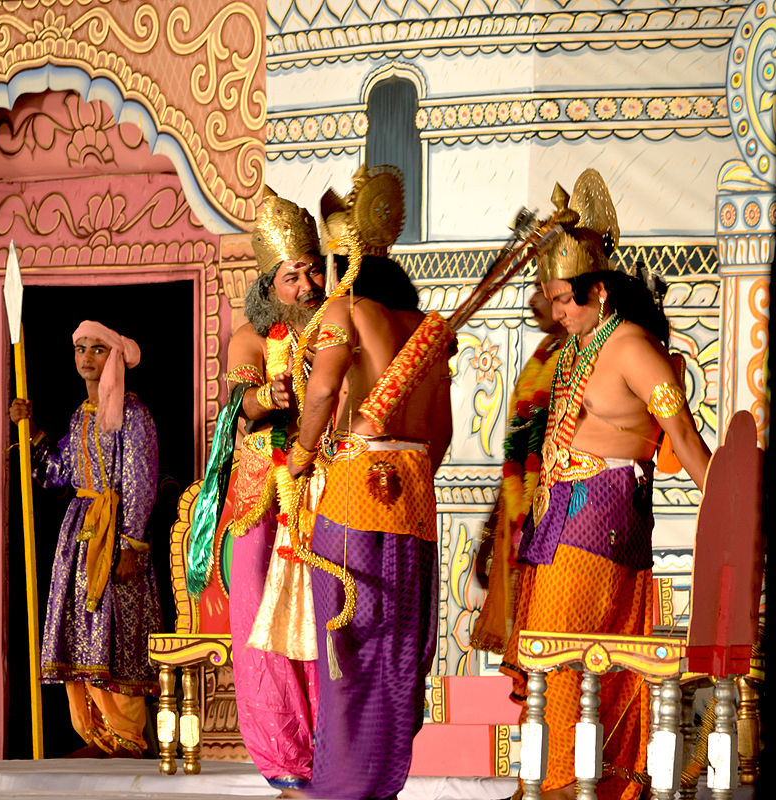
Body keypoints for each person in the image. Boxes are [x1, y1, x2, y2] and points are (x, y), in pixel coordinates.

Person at [500, 169, 711, 800]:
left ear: (600, 290)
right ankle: (552, 778)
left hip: (605, 513)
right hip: (557, 513)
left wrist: (728, 506)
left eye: (566, 299)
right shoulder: (575, 350)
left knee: (572, 654)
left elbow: (681, 432)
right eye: (553, 299)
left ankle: (572, 781)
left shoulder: (631, 346)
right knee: (549, 653)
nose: (557, 311)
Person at [287, 165, 453, 800]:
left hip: (358, 488)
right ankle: (377, 782)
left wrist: (304, 456)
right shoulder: (427, 330)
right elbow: (440, 432)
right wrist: (405, 471)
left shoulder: (345, 310)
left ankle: (340, 785)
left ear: (342, 260)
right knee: (397, 647)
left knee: (346, 643)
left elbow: (325, 388)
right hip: (414, 494)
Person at [186, 186, 324, 793]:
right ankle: (285, 759)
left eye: (315, 270)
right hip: (260, 500)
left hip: (322, 495)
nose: (309, 284)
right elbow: (239, 406)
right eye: (293, 276)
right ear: (269, 286)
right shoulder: (250, 336)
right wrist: (272, 397)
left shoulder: (335, 328)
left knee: (323, 624)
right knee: (262, 630)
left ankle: (333, 749)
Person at [9, 321, 161, 757]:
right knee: (80, 634)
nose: (87, 357)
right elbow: (60, 475)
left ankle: (126, 738)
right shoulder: (79, 415)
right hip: (78, 538)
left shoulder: (132, 412)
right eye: (80, 349)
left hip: (116, 539)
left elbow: (140, 479)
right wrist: (31, 431)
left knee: (119, 633)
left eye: (97, 349)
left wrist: (132, 544)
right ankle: (94, 735)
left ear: (114, 357)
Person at [470, 284, 565, 654]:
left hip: (556, 511)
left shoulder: (576, 356)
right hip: (522, 510)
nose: (532, 301)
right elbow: (520, 448)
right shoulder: (545, 356)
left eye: (544, 290)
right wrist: (494, 524)